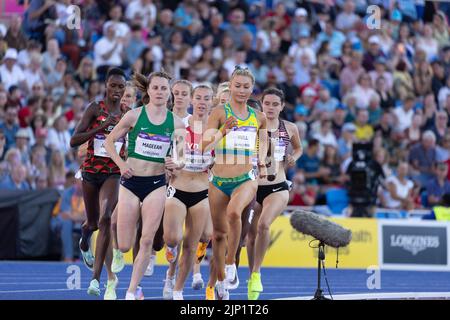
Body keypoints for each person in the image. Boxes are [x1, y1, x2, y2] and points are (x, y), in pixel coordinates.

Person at [104, 70, 185, 300]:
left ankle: (131, 291)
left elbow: (181, 158)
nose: (159, 92)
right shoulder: (134, 116)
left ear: (169, 94)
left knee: (147, 239)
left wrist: (174, 163)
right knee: (126, 245)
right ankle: (120, 255)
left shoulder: (176, 123)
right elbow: (110, 143)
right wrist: (120, 165)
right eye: (156, 88)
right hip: (130, 183)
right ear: (148, 91)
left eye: (163, 88)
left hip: (156, 184)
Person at [201, 66, 267, 300]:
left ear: (252, 89)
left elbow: (264, 142)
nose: (241, 90)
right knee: (218, 235)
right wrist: (222, 133)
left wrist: (262, 160)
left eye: (246, 87)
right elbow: (203, 145)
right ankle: (220, 281)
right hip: (219, 180)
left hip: (245, 178)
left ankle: (231, 264)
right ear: (231, 86)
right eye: (237, 86)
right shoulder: (219, 112)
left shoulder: (258, 117)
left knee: (233, 213)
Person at [70, 67, 128, 300]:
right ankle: (85, 241)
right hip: (91, 171)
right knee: (92, 222)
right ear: (106, 85)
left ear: (125, 90)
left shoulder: (127, 114)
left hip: (113, 173)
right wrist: (102, 128)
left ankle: (96, 280)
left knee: (106, 218)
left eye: (121, 87)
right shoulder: (95, 109)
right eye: (113, 85)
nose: (116, 90)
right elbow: (74, 140)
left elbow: (134, 143)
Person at [246, 88, 302, 300]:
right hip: (253, 186)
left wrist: (293, 157)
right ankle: (252, 275)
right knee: (251, 235)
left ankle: (257, 273)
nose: (270, 107)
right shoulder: (252, 126)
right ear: (261, 104)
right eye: (266, 103)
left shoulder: (290, 128)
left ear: (281, 106)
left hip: (277, 186)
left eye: (274, 104)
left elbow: (298, 149)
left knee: (263, 225)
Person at [162, 84, 215, 300]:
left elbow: (225, 160)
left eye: (207, 99)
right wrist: (168, 164)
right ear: (192, 101)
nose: (202, 102)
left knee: (192, 245)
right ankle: (170, 267)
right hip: (178, 188)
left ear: (212, 102)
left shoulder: (217, 130)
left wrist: (216, 163)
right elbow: (166, 151)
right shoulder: (180, 126)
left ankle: (177, 290)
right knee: (172, 238)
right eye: (199, 98)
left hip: (202, 191)